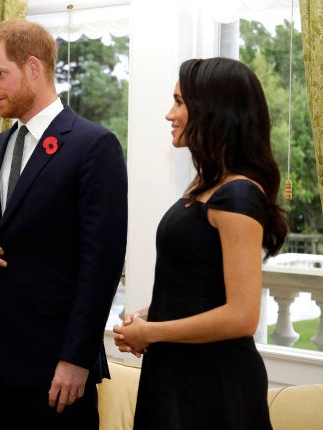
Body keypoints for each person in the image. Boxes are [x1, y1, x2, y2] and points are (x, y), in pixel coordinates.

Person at [0, 19, 128, 429]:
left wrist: (76, 358)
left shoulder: (93, 146)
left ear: (34, 68)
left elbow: (101, 265)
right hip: (0, 358)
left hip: (59, 364)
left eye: (0, 74)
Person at [114, 57, 289, 429]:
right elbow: (199, 288)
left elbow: (242, 317)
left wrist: (152, 332)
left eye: (179, 102)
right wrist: (147, 316)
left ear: (212, 110)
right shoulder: (206, 187)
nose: (169, 114)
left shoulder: (238, 195)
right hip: (178, 372)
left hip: (212, 383)